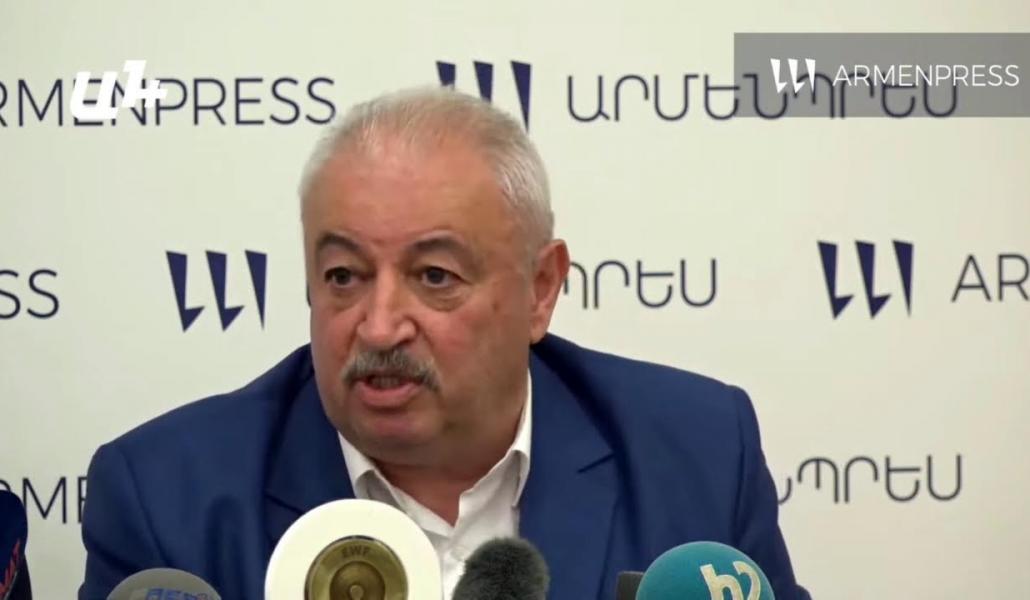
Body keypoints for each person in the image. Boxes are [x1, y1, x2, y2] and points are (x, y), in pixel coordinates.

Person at [79, 87, 809, 599]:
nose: (379, 326)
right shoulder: (167, 501)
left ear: (541, 289)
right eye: (343, 276)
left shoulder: (700, 455)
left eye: (434, 276)